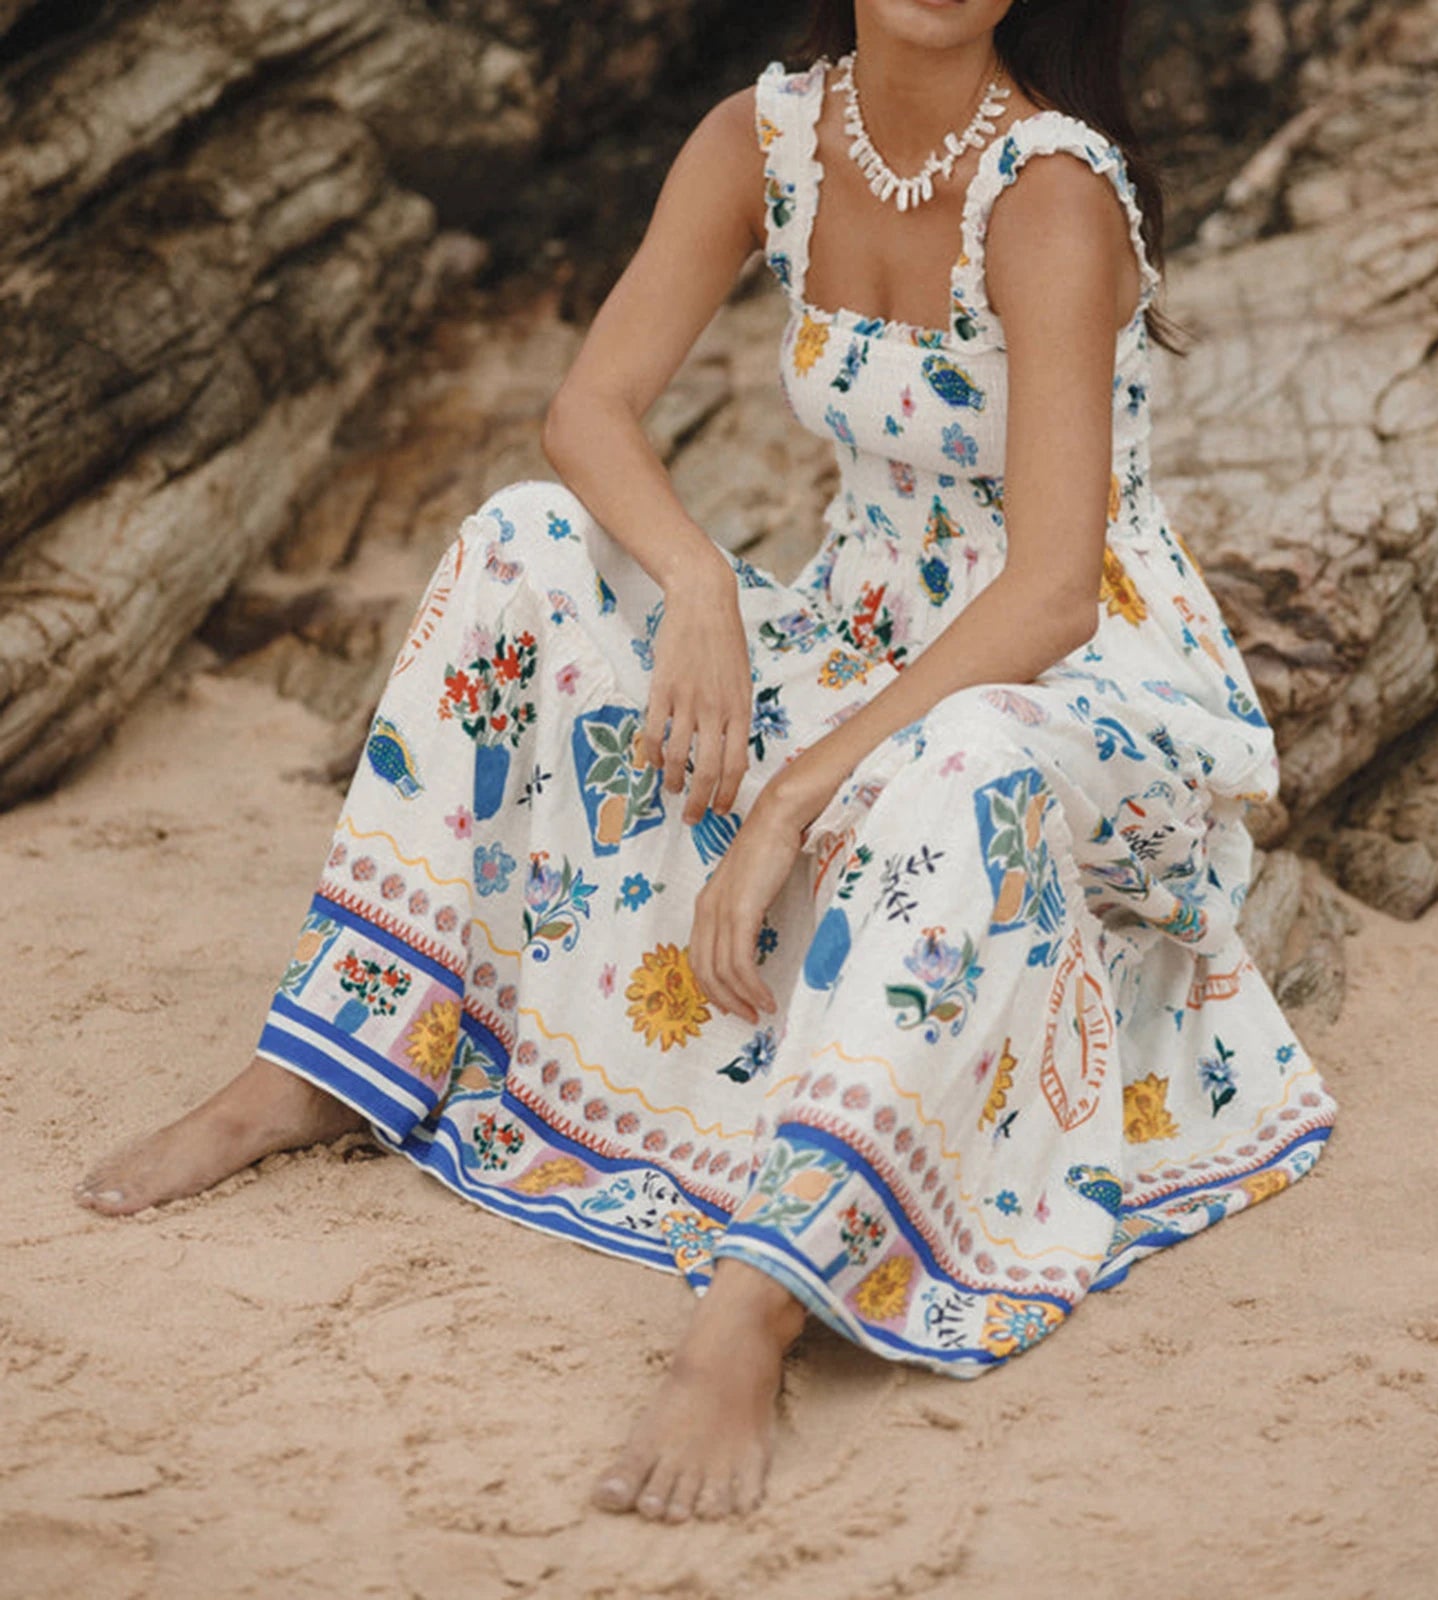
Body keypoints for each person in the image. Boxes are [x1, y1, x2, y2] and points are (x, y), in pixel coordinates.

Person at [76, 0, 1336, 1524]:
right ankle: (327, 1061)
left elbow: (1054, 589)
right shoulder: (767, 137)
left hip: (1074, 689)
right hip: (859, 640)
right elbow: (587, 410)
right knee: (523, 544)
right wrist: (694, 581)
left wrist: (799, 792)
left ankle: (758, 1301)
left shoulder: (1050, 192)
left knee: (956, 767)